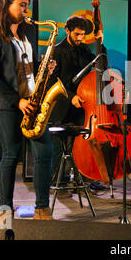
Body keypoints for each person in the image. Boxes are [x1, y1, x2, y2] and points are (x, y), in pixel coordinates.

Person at [0, 0, 55, 220]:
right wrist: (18, 101)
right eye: (21, 5)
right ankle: (5, 206)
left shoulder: (29, 32)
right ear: (6, 3)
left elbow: (29, 66)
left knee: (45, 153)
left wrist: (47, 68)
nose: (26, 10)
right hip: (6, 104)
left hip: (33, 102)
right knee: (11, 155)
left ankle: (42, 207)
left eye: (27, 5)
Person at [49, 15, 106, 190]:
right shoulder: (57, 51)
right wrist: (71, 95)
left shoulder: (85, 50)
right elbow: (53, 80)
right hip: (62, 104)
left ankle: (83, 178)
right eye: (77, 34)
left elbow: (101, 66)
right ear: (67, 31)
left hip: (81, 105)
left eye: (82, 35)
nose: (80, 38)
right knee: (59, 147)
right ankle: (58, 180)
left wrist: (100, 45)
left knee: (81, 143)